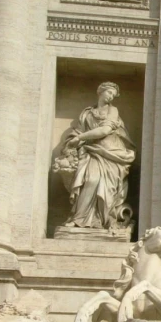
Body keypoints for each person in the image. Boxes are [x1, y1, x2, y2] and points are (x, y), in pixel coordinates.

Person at [61, 81, 136, 229]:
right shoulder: (87, 113)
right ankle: (79, 219)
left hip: (111, 152)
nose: (111, 97)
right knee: (90, 180)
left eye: (113, 95)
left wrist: (79, 138)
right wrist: (71, 142)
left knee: (104, 186)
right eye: (109, 93)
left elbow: (104, 131)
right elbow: (78, 130)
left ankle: (102, 220)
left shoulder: (113, 111)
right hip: (91, 151)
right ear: (100, 91)